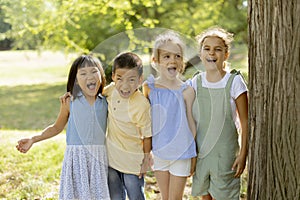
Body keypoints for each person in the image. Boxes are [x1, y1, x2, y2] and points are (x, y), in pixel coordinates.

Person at [16, 55, 110, 199]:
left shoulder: (106, 101)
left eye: (94, 71)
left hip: (98, 159)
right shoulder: (70, 102)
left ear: (101, 75)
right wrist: (33, 139)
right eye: (83, 73)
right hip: (76, 160)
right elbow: (56, 127)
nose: (89, 76)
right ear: (76, 81)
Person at [189, 27, 248, 200]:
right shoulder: (195, 82)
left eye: (218, 49)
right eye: (207, 48)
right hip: (201, 154)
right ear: (200, 54)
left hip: (226, 155)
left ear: (226, 54)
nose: (212, 53)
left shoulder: (235, 82)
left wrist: (243, 154)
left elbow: (245, 122)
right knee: (205, 197)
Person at [143, 31, 197, 200]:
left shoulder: (187, 90)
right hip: (160, 152)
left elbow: (191, 122)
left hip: (182, 153)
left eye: (177, 56)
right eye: (166, 56)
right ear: (155, 61)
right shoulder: (149, 88)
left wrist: (194, 153)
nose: (172, 60)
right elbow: (145, 121)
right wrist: (146, 151)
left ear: (182, 61)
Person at [103, 52, 152, 200]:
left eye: (131, 80)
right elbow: (92, 95)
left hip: (133, 163)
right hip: (111, 159)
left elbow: (147, 135)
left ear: (139, 80)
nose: (125, 86)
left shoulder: (142, 104)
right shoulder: (111, 90)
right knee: (115, 196)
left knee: (135, 195)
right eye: (120, 79)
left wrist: (145, 161)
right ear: (113, 77)